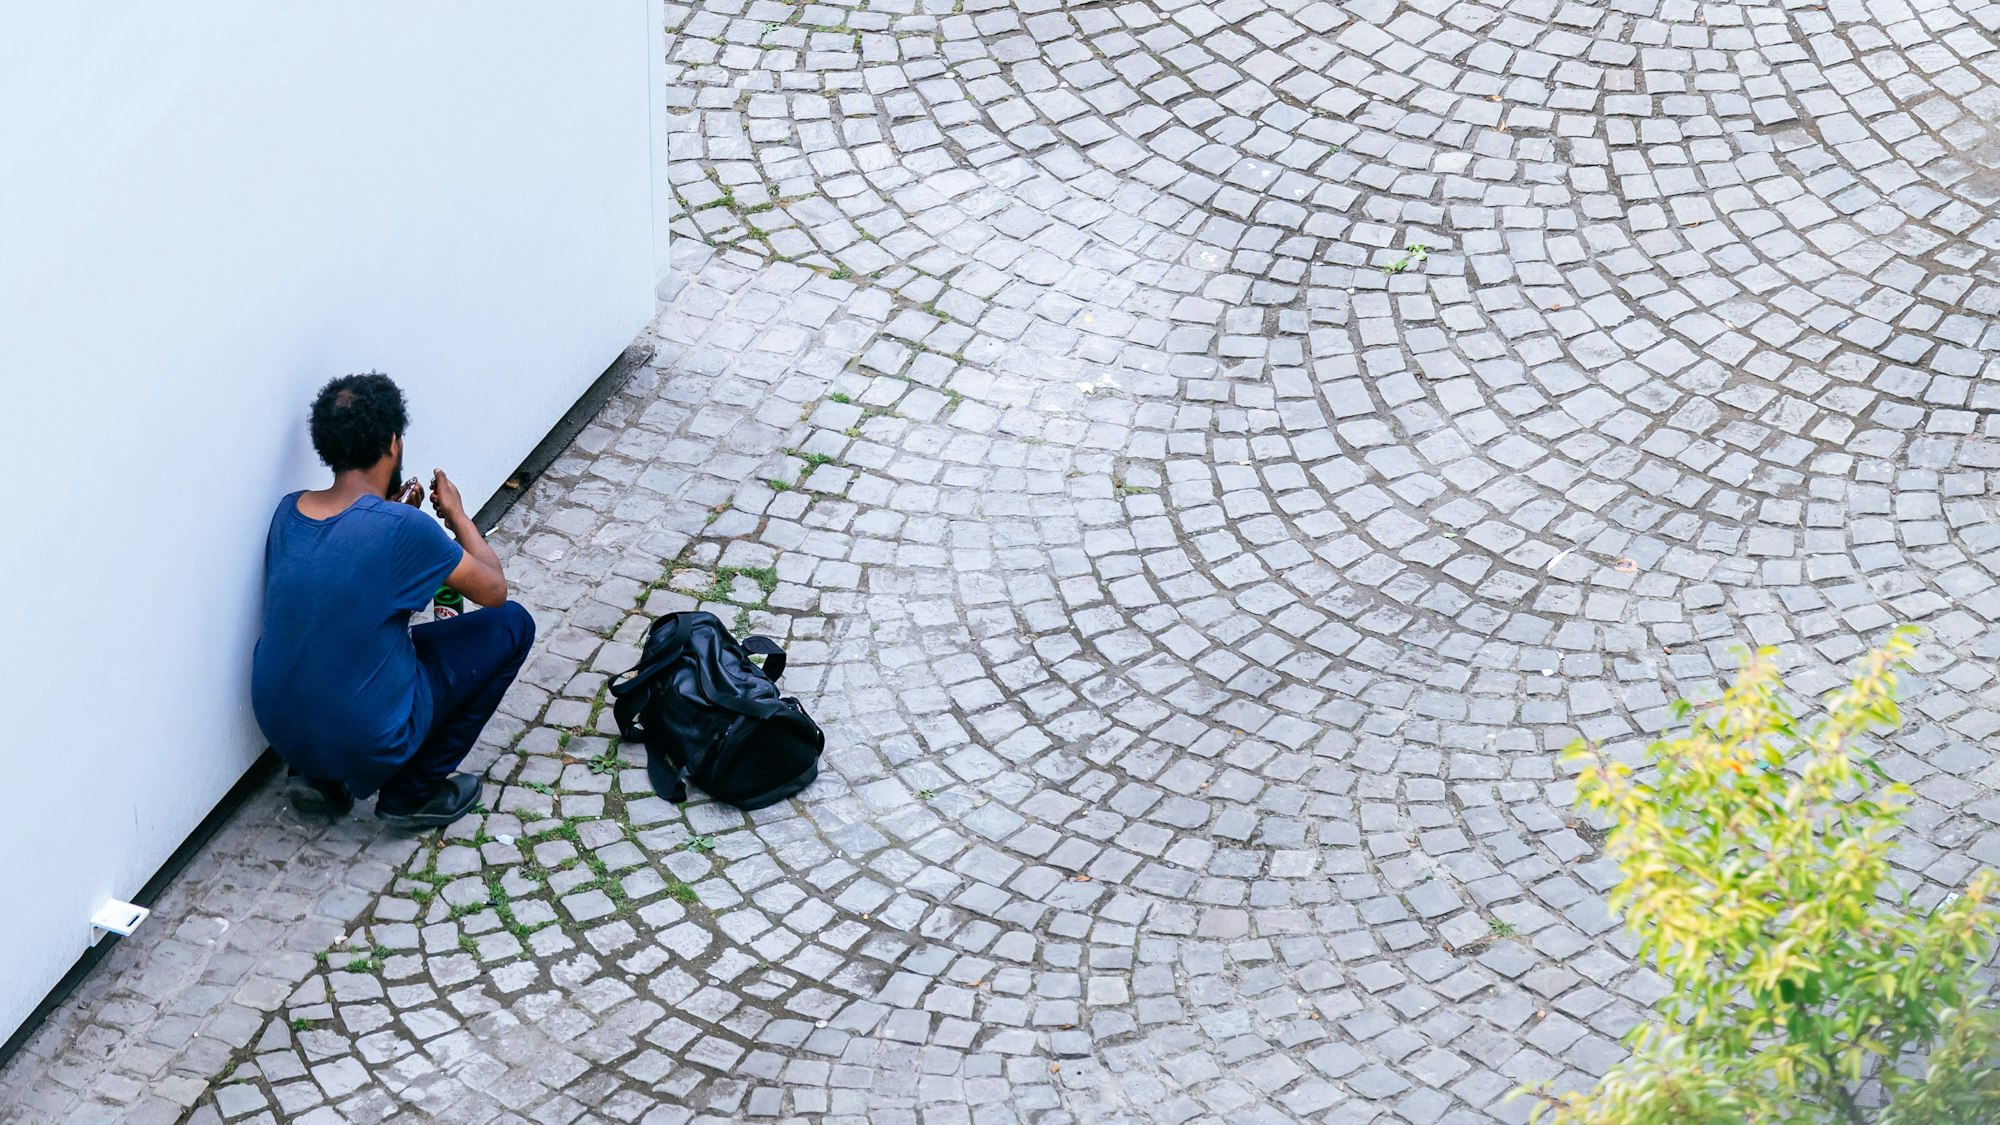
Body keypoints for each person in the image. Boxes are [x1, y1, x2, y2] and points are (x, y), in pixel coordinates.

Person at [252, 372, 534, 829]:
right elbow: (494, 590)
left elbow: (338, 587)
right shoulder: (403, 528)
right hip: (366, 735)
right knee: (514, 625)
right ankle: (413, 792)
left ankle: (319, 777)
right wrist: (457, 516)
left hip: (282, 729)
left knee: (327, 644)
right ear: (393, 443)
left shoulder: (289, 511)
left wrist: (396, 513)